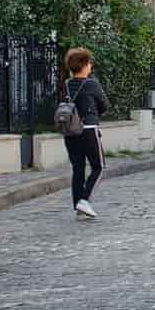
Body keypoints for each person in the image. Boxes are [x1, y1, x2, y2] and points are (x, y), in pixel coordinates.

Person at [63, 47, 108, 219]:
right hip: (89, 129)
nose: (90, 66)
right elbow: (104, 105)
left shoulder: (66, 84)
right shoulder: (91, 84)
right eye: (89, 63)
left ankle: (78, 205)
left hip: (70, 130)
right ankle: (85, 199)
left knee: (78, 168)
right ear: (83, 65)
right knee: (99, 166)